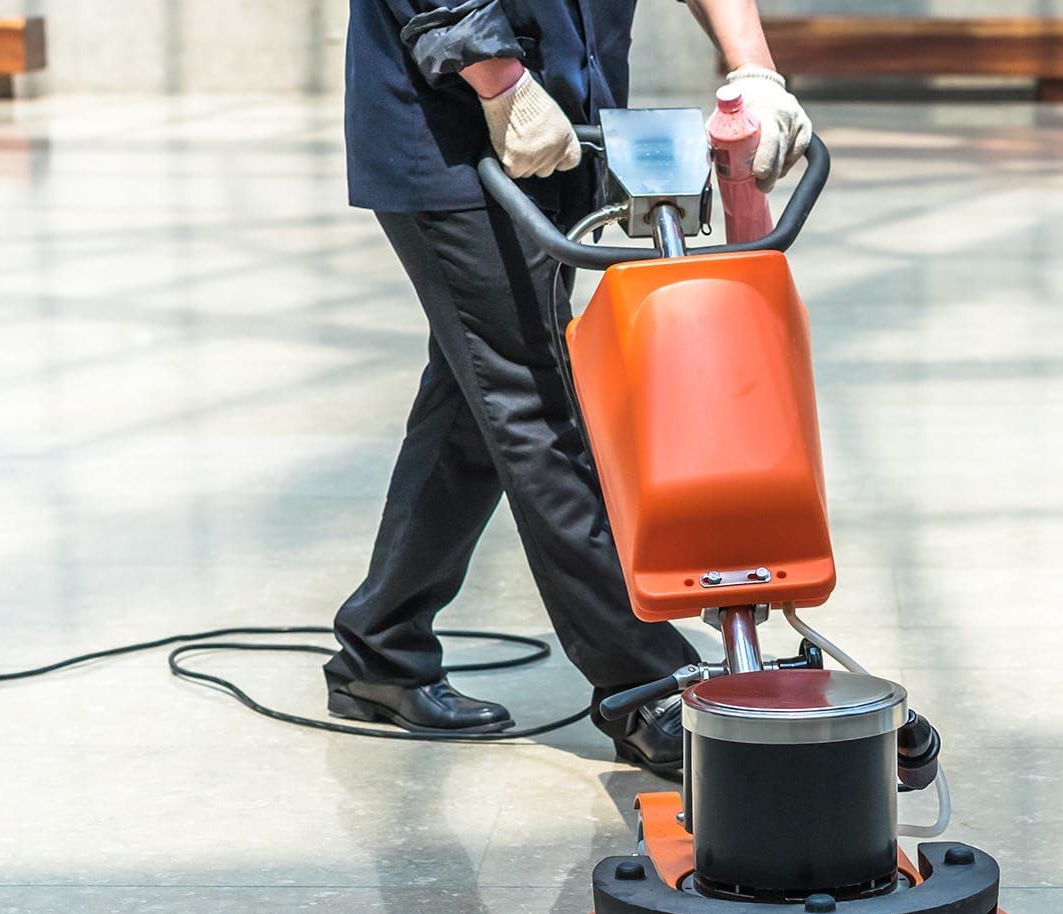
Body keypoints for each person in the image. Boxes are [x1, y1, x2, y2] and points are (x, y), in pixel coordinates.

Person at [326, 0, 812, 778]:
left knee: (478, 390)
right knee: (534, 403)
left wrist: (752, 66)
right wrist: (499, 80)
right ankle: (645, 680)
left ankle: (382, 645)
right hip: (454, 130)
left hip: (561, 120)